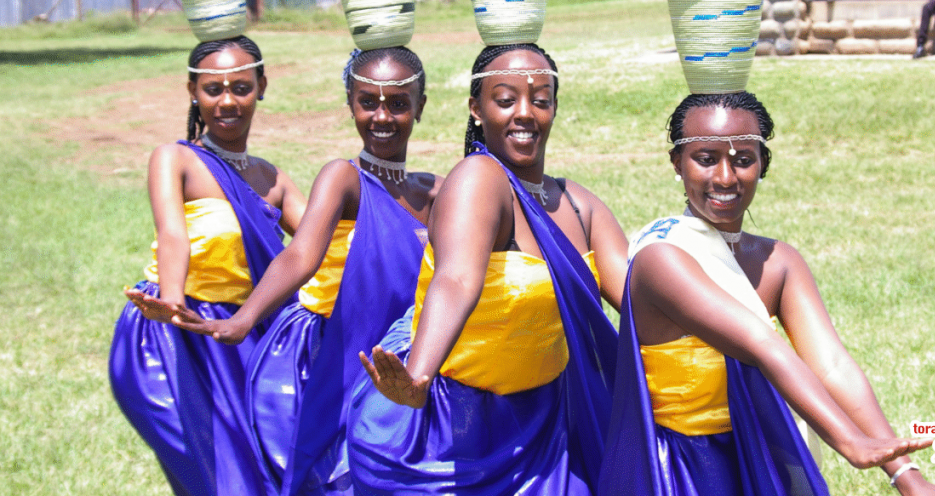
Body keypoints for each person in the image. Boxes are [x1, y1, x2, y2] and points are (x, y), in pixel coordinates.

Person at [599, 91, 935, 496]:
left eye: (743, 160)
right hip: (682, 470)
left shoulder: (780, 263)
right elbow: (760, 345)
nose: (725, 177)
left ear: (763, 164)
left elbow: (832, 366)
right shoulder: (662, 258)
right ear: (677, 163)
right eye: (706, 159)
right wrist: (850, 442)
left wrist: (908, 479)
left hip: (761, 453)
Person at [350, 43, 628, 495]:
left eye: (540, 100)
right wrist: (418, 374)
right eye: (505, 100)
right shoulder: (479, 179)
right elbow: (457, 278)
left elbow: (636, 294)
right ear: (476, 109)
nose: (525, 113)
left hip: (543, 429)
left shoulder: (579, 206)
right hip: (449, 431)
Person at [173, 46, 440, 495]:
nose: (382, 116)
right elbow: (300, 254)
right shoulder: (344, 178)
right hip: (329, 353)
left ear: (420, 106)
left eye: (398, 103)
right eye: (367, 102)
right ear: (351, 104)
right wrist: (246, 317)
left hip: (398, 356)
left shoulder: (435, 192)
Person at [110, 36, 307, 496]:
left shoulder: (272, 178)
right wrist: (172, 304)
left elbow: (323, 244)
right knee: (217, 477)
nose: (227, 101)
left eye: (241, 87)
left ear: (261, 87)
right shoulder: (175, 158)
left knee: (268, 471)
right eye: (213, 89)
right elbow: (173, 235)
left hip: (247, 335)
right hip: (176, 334)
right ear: (192, 92)